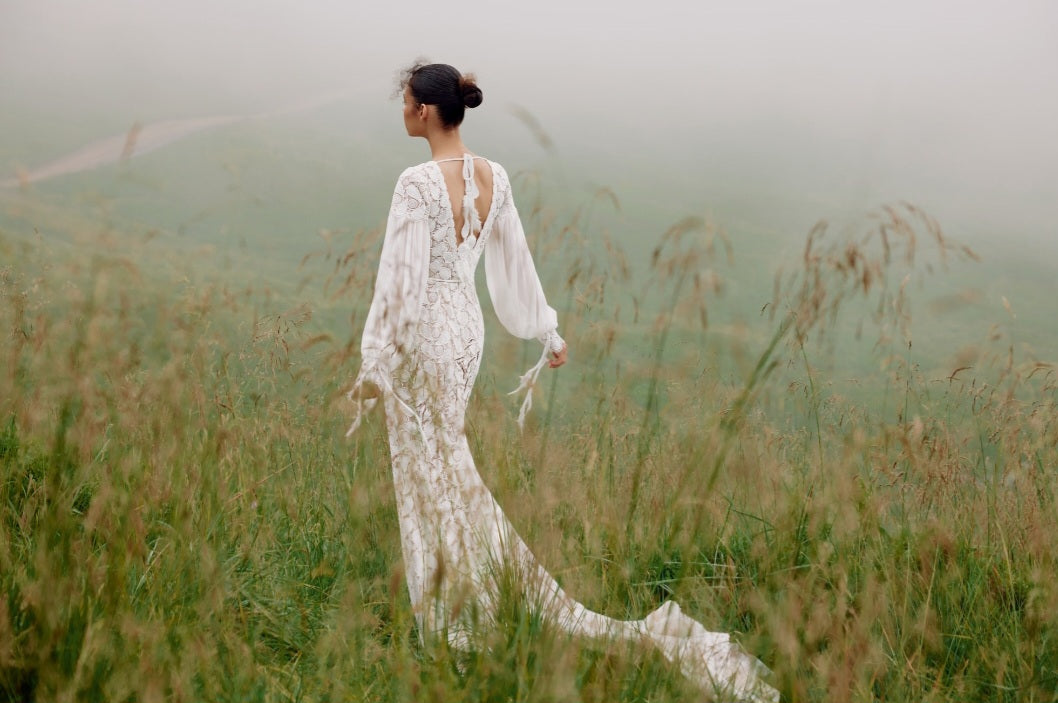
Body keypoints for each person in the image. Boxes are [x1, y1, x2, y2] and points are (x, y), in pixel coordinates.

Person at [346, 62, 779, 703]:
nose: (401, 109)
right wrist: (544, 327)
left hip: (425, 342)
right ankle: (471, 602)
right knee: (451, 468)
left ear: (426, 112)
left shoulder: (414, 183)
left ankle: (458, 624)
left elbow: (400, 280)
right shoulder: (495, 176)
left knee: (425, 474)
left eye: (405, 100)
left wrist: (376, 359)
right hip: (466, 334)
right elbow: (512, 258)